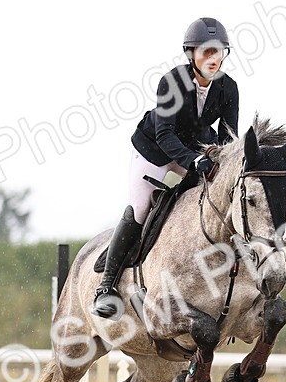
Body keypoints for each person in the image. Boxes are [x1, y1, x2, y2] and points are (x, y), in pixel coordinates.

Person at [91, 17, 240, 318]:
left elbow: (228, 137)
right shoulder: (171, 82)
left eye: (219, 52)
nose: (213, 59)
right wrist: (195, 162)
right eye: (206, 52)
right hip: (155, 150)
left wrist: (220, 165)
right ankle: (106, 286)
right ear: (191, 54)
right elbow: (165, 134)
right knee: (141, 206)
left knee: (216, 201)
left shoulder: (228, 88)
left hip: (196, 149)